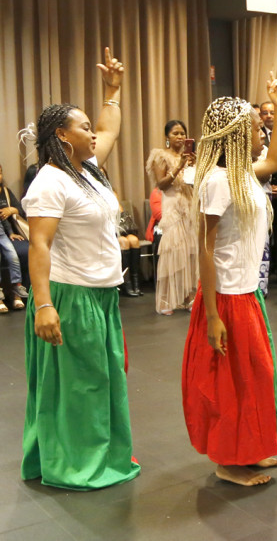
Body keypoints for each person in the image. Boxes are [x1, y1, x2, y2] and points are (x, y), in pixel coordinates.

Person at [21, 47, 140, 490]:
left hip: (102, 293)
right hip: (70, 296)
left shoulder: (86, 169)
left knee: (102, 379)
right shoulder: (50, 182)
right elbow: (39, 245)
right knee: (80, 386)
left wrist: (113, 89)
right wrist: (44, 306)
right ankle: (74, 465)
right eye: (83, 126)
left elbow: (109, 128)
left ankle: (100, 454)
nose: (94, 133)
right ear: (60, 134)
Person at [182, 74, 277, 487]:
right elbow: (204, 249)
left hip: (247, 293)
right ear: (238, 136)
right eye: (257, 129)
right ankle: (228, 462)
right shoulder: (216, 182)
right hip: (226, 296)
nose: (262, 135)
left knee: (255, 376)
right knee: (230, 383)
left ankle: (250, 449)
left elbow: (276, 161)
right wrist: (210, 314)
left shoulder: (245, 174)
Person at [145, 120, 198, 315]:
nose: (180, 137)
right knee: (173, 251)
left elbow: (192, 183)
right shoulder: (161, 156)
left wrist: (192, 166)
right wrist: (179, 166)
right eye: (175, 133)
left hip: (189, 205)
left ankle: (188, 297)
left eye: (183, 133)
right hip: (173, 205)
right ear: (167, 137)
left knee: (190, 253)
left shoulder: (190, 157)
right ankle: (167, 299)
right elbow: (162, 184)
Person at [0, 164, 29, 310]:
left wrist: (11, 209)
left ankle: (17, 290)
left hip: (5, 233)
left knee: (16, 255)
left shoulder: (5, 191)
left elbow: (22, 211)